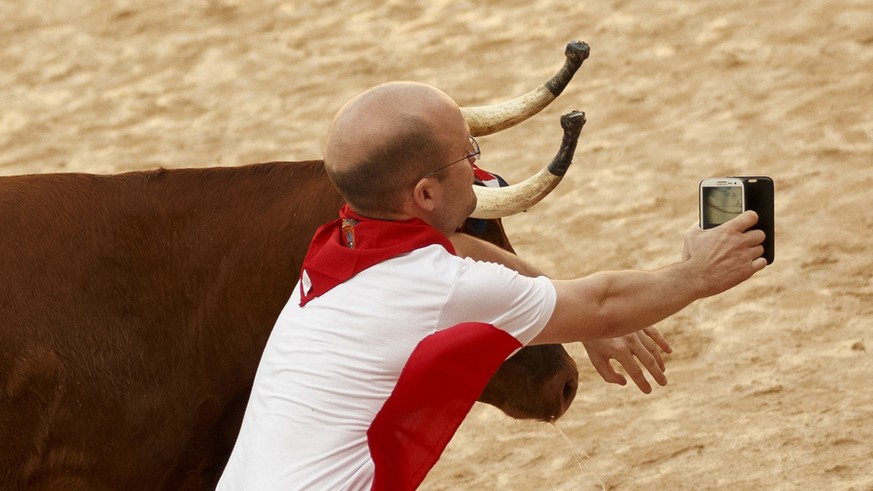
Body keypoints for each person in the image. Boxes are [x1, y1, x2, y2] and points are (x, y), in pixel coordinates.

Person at [217, 82, 766, 490]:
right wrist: (697, 274)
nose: (477, 167)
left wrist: (570, 312)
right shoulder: (434, 286)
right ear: (427, 195)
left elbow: (461, 248)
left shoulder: (336, 247)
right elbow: (602, 304)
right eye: (468, 156)